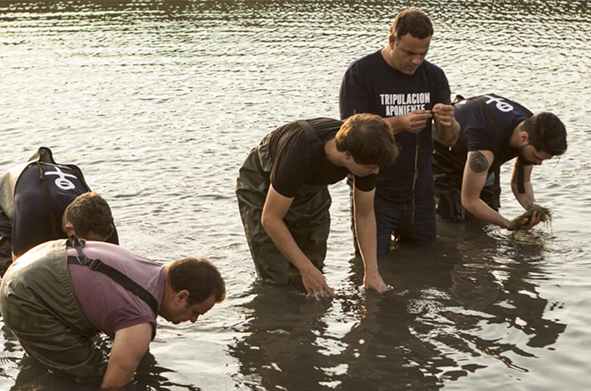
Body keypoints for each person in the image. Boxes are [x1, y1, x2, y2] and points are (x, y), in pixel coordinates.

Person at [0, 237, 226, 391]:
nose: (194, 320)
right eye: (196, 312)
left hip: (36, 259)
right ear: (181, 296)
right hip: (24, 295)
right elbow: (112, 387)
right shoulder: (139, 321)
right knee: (94, 375)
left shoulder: (150, 270)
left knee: (79, 349)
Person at [235, 114, 399, 295]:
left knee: (314, 264)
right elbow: (271, 218)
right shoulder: (300, 150)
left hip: (309, 188)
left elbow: (365, 214)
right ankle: (277, 313)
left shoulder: (368, 154)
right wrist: (305, 269)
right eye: (371, 167)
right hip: (261, 183)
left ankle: (310, 318)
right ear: (347, 155)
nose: (375, 172)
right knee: (276, 274)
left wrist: (371, 271)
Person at [339, 9, 460, 253]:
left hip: (421, 193)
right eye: (409, 53)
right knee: (372, 267)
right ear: (392, 40)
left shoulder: (434, 76)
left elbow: (449, 141)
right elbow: (349, 135)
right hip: (373, 193)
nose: (416, 61)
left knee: (426, 266)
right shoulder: (361, 73)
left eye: (423, 54)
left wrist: (449, 122)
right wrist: (399, 123)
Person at [432, 93, 568, 229]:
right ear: (523, 138)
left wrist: (531, 207)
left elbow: (521, 182)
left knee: (488, 211)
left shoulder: (532, 128)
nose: (539, 163)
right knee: (451, 217)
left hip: (483, 148)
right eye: (537, 157)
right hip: (443, 155)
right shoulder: (483, 147)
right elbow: (470, 200)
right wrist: (508, 224)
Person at [0, 147, 119, 276]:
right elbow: (19, 273)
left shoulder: (104, 225)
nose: (96, 248)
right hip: (12, 190)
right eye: (91, 243)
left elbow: (115, 266)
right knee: (12, 272)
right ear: (69, 229)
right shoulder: (32, 212)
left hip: (54, 183)